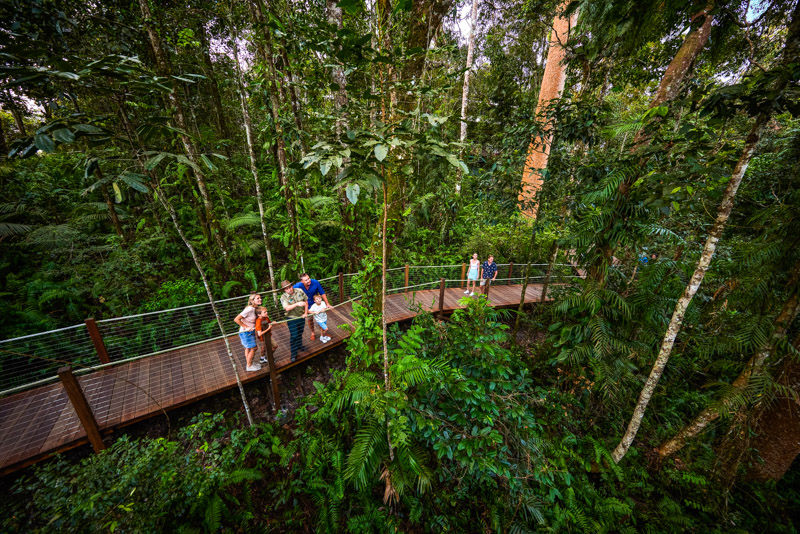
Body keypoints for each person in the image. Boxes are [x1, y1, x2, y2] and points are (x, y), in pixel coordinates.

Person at [294, 273, 331, 341]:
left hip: (316, 303)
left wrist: (327, 303)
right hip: (307, 305)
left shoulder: (315, 282)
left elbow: (322, 292)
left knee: (321, 318)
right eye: (306, 280)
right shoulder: (298, 286)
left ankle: (322, 334)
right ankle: (312, 333)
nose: (308, 280)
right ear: (302, 281)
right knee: (310, 319)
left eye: (309, 278)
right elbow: (291, 292)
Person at [280, 279, 308, 362]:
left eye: (290, 287)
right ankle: (293, 354)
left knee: (300, 332)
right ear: (284, 290)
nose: (289, 289)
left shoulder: (299, 291)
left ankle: (300, 346)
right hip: (291, 318)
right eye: (287, 288)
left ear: (292, 286)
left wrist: (305, 313)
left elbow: (306, 301)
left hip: (301, 316)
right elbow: (287, 308)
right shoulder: (283, 297)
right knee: (294, 335)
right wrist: (297, 304)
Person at [234, 293, 262, 372]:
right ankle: (249, 366)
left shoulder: (254, 308)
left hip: (248, 332)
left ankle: (250, 363)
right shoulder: (249, 309)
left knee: (248, 348)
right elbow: (236, 319)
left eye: (260, 298)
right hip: (246, 332)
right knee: (254, 348)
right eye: (257, 298)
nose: (260, 299)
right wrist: (246, 327)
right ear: (252, 300)